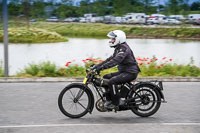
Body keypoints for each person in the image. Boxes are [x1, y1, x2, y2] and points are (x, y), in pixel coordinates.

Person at [93, 30, 141, 109]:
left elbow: (115, 61)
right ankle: (109, 99)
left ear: (119, 39)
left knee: (113, 81)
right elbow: (109, 59)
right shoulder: (118, 48)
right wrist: (97, 66)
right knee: (106, 77)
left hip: (130, 72)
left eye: (113, 39)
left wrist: (101, 68)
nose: (111, 40)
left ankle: (116, 102)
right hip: (124, 71)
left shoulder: (124, 49)